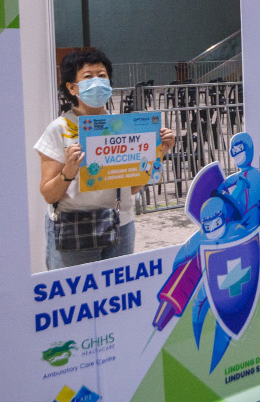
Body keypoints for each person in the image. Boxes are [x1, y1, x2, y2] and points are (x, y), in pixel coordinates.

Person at [34, 49, 174, 270]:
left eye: (102, 75)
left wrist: (159, 152)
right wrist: (69, 171)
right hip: (74, 227)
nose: (97, 82)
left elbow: (132, 188)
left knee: (117, 294)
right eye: (88, 77)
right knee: (75, 297)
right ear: (72, 87)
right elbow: (49, 194)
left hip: (120, 224)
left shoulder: (122, 128)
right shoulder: (59, 129)